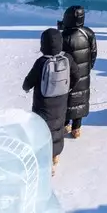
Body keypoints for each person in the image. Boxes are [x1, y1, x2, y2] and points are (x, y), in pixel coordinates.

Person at [20, 27, 71, 165]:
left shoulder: (41, 62)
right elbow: (76, 75)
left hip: (43, 103)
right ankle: (55, 156)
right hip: (61, 100)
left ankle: (45, 156)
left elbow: (29, 81)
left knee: (43, 127)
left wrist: (26, 87)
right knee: (58, 125)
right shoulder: (67, 59)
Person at [59, 5, 96, 139]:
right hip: (83, 74)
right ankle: (77, 128)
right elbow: (93, 53)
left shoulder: (63, 35)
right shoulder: (88, 33)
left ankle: (65, 125)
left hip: (66, 75)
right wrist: (88, 68)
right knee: (80, 99)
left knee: (66, 99)